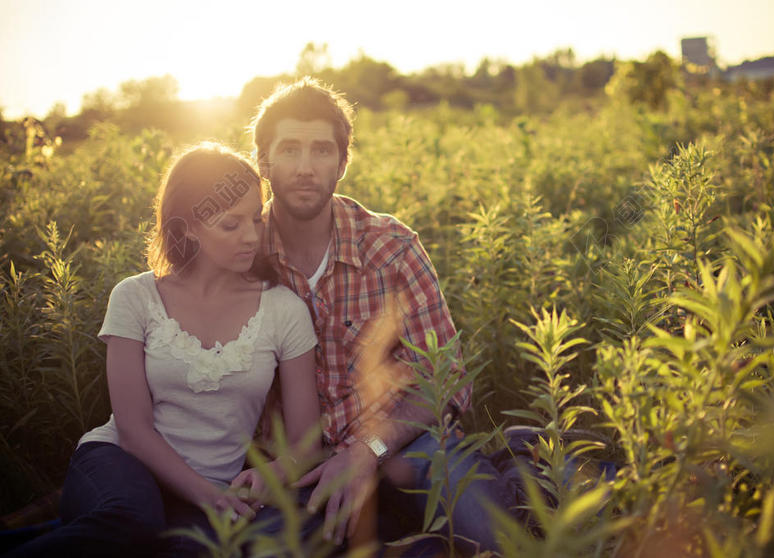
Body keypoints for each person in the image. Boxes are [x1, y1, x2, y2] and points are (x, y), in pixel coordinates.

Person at [4, 143, 321, 558]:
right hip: (118, 465)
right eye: (230, 224)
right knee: (134, 519)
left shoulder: (285, 310)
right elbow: (134, 430)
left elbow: (306, 441)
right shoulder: (135, 297)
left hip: (212, 489)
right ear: (187, 227)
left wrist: (279, 470)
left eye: (256, 220)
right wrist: (208, 496)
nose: (250, 236)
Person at [252, 78, 516, 555]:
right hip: (299, 466)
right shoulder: (242, 257)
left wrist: (367, 450)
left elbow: (447, 378)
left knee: (494, 535)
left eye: (322, 150)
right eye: (289, 149)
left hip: (404, 447)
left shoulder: (391, 248)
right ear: (263, 161)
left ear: (343, 162)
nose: (306, 167)